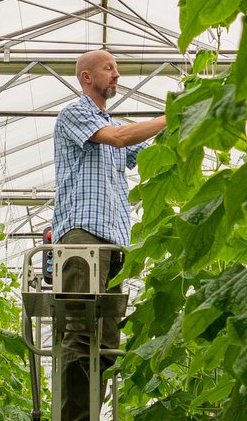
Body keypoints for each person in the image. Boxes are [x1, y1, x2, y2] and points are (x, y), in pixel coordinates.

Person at [51, 49, 167, 289]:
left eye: (116, 68)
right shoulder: (74, 113)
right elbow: (119, 138)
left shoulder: (113, 125)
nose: (117, 75)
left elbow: (154, 156)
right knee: (79, 319)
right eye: (108, 68)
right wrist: (169, 117)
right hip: (83, 233)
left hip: (115, 239)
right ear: (87, 77)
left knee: (110, 325)